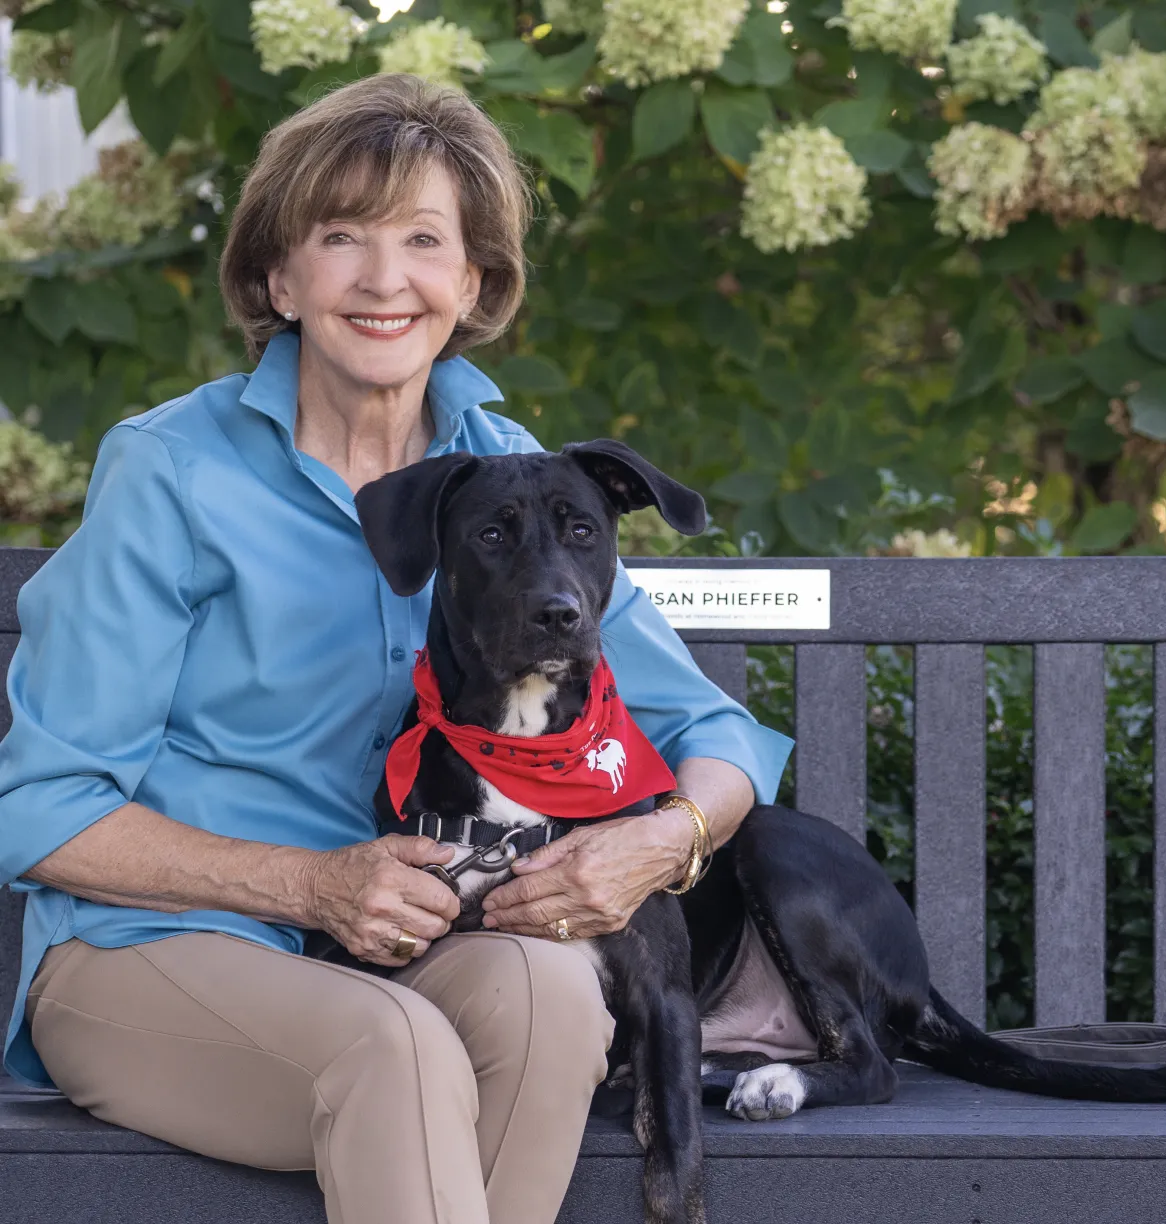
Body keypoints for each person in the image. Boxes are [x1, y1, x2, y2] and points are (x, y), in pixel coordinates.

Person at [0, 74, 791, 1224]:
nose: (384, 280)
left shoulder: (509, 481)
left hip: (399, 956)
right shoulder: (171, 472)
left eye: (424, 240)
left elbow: (715, 736)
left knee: (553, 995)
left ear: (472, 285)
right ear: (280, 278)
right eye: (340, 238)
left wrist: (659, 843)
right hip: (154, 953)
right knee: (399, 1048)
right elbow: (38, 807)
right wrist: (309, 882)